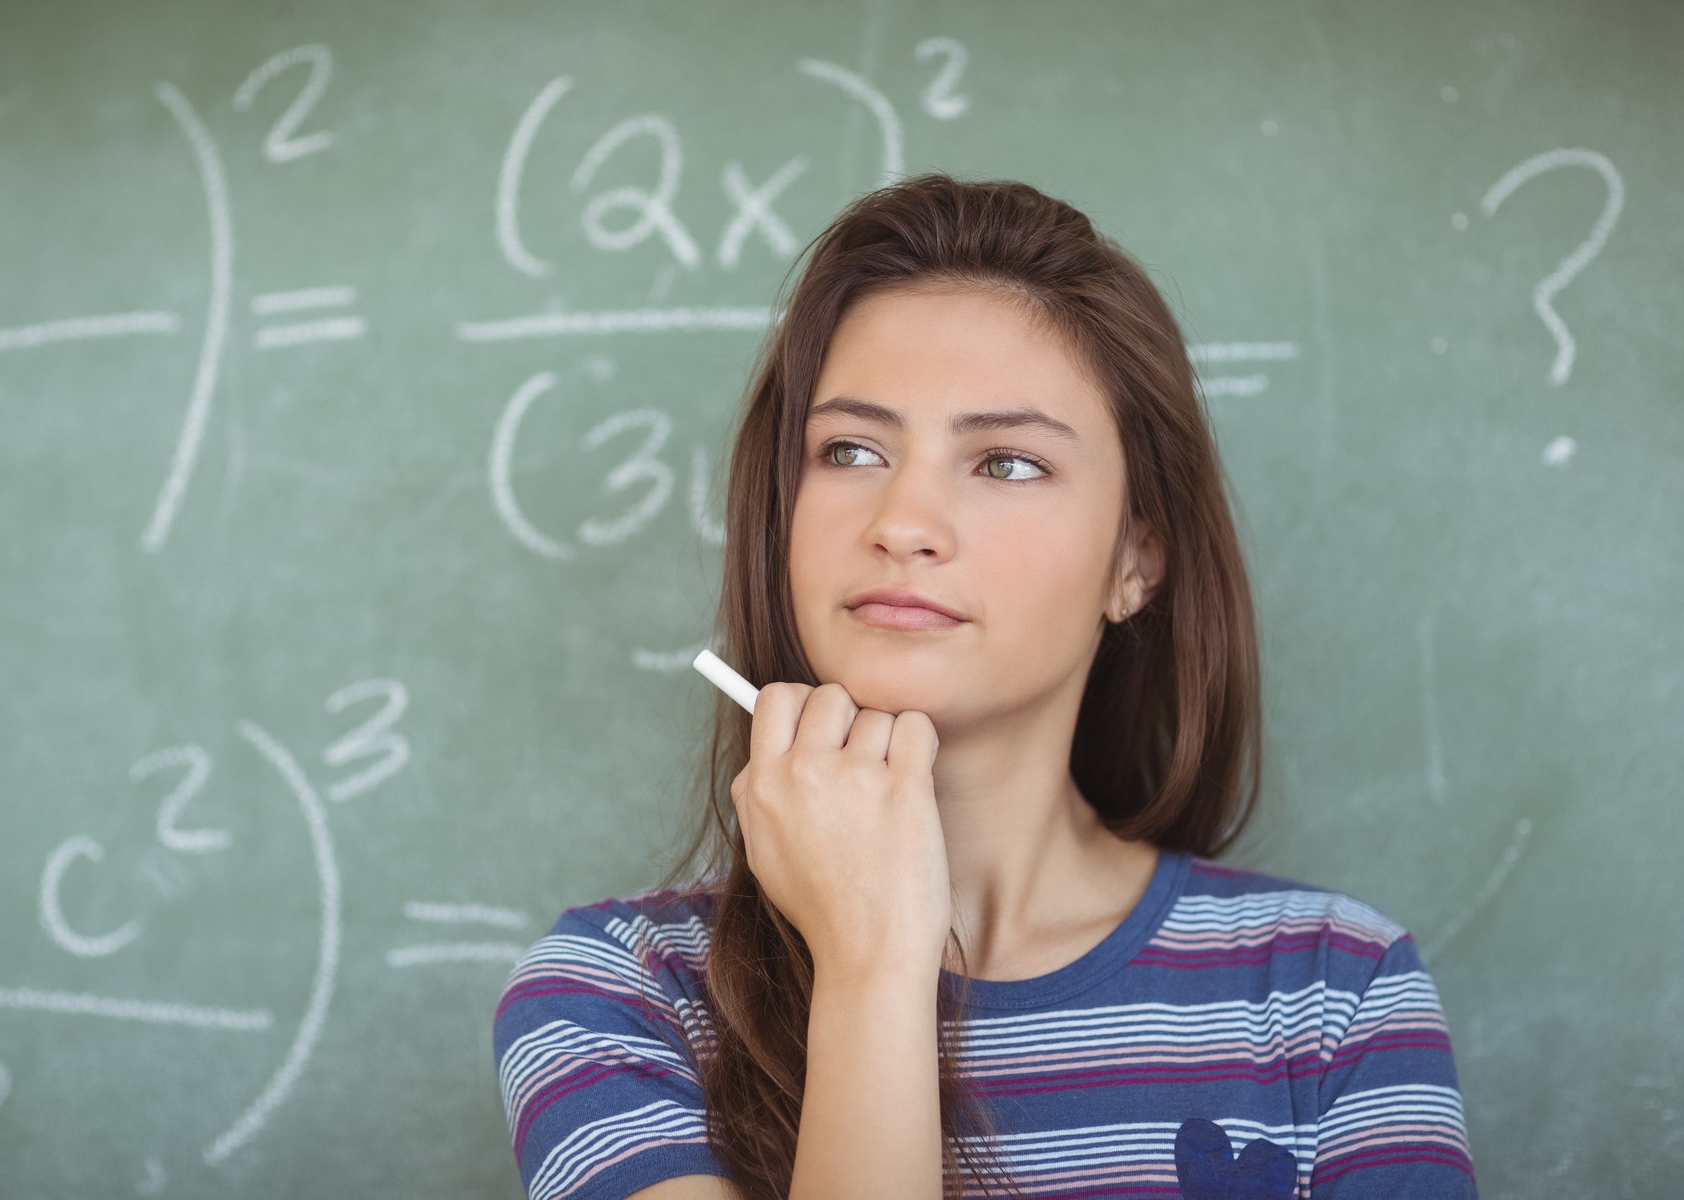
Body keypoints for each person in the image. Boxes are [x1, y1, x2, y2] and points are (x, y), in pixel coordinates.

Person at [492, 173, 1477, 1200]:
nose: (903, 519)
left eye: (1006, 463)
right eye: (851, 450)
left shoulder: (1337, 994)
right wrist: (872, 963)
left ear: (1135, 562)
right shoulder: (617, 995)